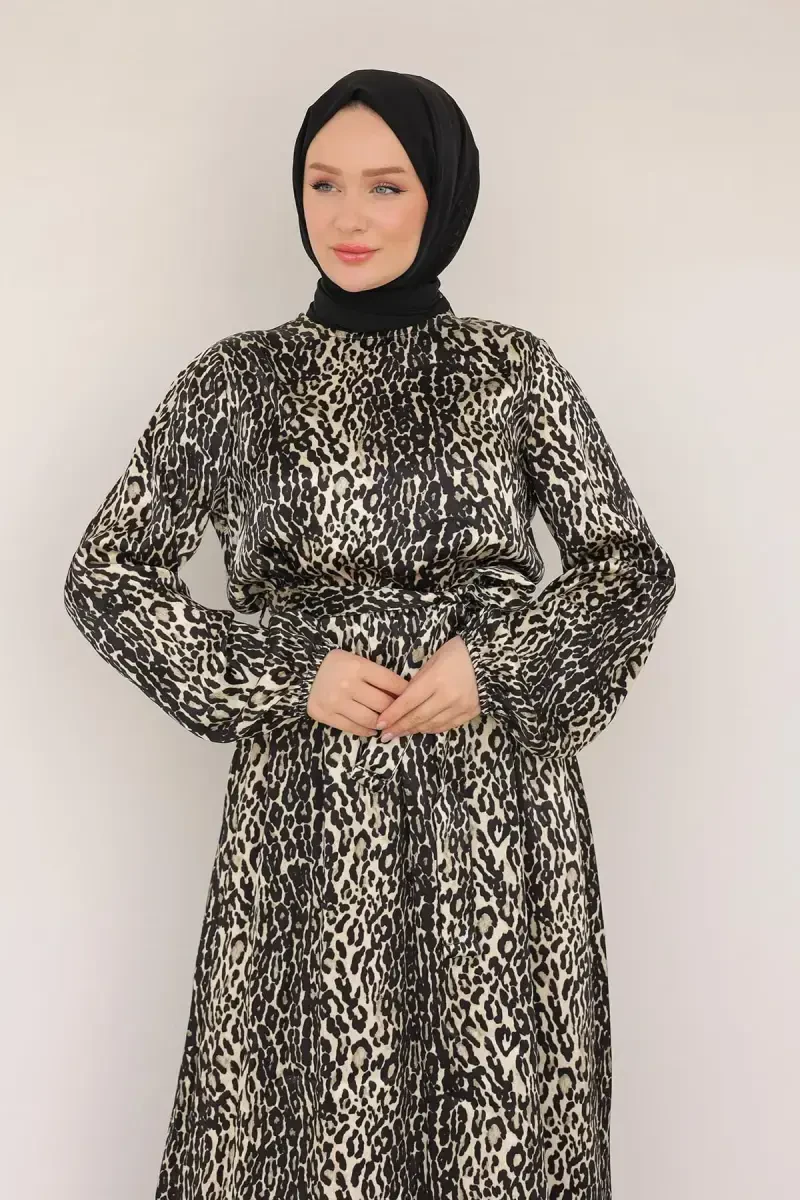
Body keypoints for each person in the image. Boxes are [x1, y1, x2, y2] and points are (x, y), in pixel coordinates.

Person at [63, 68, 677, 1199]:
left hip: (490, 808)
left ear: (440, 197)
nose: (348, 216)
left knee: (493, 1109)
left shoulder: (512, 369)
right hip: (306, 811)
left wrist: (494, 664)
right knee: (298, 1111)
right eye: (324, 183)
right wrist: (285, 669)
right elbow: (105, 574)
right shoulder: (236, 381)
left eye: (386, 186)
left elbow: (627, 567)